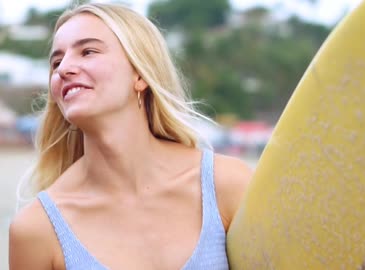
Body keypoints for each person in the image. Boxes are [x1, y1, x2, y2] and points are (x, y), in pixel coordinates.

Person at [9, 3, 252, 270]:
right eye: (56, 62)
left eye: (88, 51)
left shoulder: (226, 186)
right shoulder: (37, 230)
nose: (63, 69)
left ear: (140, 74)